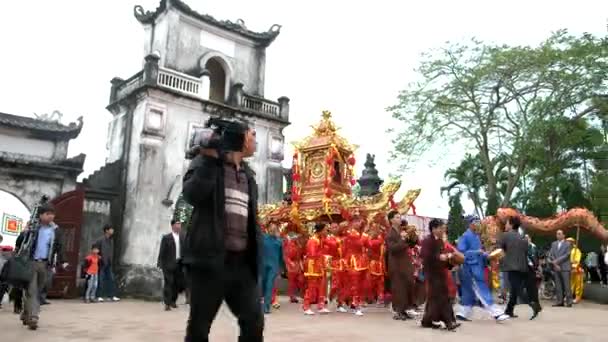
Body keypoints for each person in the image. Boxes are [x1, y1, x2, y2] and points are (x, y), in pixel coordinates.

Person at [181, 120, 264, 342]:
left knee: (254, 320)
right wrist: (209, 159)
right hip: (209, 261)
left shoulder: (249, 175)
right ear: (242, 138)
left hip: (241, 264)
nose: (256, 140)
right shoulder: (206, 163)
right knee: (199, 325)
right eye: (252, 134)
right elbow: (191, 195)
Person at [18, 204, 67, 330]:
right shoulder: (34, 228)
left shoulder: (55, 230)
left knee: (38, 290)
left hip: (45, 264)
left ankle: (26, 312)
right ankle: (34, 317)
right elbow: (19, 243)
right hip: (30, 263)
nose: (50, 216)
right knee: (32, 290)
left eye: (52, 214)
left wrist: (63, 261)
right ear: (40, 215)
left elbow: (60, 247)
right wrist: (25, 231)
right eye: (47, 214)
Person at [455, 215, 509, 322]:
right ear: (470, 224)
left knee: (468, 293)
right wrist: (477, 253)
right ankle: (497, 313)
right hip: (470, 269)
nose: (479, 224)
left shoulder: (476, 236)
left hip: (476, 267)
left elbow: (479, 253)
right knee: (482, 289)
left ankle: (462, 312)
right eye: (476, 222)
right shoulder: (465, 236)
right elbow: (461, 253)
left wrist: (488, 255)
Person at [498, 216, 541, 320]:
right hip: (523, 267)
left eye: (507, 223)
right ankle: (509, 310)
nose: (505, 225)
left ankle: (533, 304)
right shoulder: (522, 238)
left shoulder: (505, 236)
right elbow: (526, 251)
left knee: (517, 289)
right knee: (514, 289)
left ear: (512, 225)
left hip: (512, 267)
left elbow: (500, 249)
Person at [421, 219, 460, 331]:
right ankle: (449, 322)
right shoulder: (427, 241)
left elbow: (442, 255)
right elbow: (424, 255)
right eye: (441, 228)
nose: (443, 230)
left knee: (435, 298)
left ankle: (427, 321)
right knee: (443, 297)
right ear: (433, 229)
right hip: (432, 273)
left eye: (443, 228)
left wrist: (449, 260)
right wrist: (438, 257)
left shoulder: (440, 241)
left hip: (440, 272)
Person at [386, 211, 416, 320]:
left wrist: (412, 236)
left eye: (400, 217)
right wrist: (402, 239)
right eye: (397, 217)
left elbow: (411, 245)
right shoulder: (390, 233)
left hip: (404, 263)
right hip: (396, 264)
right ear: (391, 220)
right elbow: (392, 249)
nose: (399, 219)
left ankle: (404, 309)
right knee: (398, 287)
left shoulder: (401, 231)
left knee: (407, 285)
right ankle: (398, 311)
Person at [157, 219, 185, 311]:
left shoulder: (182, 237)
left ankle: (173, 301)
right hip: (168, 264)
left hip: (179, 264)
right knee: (169, 283)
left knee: (177, 284)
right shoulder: (166, 237)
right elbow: (162, 251)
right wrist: (160, 263)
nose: (179, 226)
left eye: (180, 224)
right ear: (172, 226)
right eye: (177, 224)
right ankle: (167, 303)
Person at [302, 223, 329, 315]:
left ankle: (320, 305)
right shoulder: (313, 241)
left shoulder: (320, 239)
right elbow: (312, 254)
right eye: (325, 230)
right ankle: (306, 306)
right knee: (311, 286)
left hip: (319, 265)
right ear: (321, 230)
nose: (326, 231)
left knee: (321, 286)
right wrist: (323, 256)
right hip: (312, 265)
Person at [261, 222, 284, 314]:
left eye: (274, 229)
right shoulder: (262, 238)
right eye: (271, 228)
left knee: (269, 286)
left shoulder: (279, 242)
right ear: (268, 229)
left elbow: (281, 257)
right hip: (262, 265)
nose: (273, 230)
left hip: (273, 267)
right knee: (262, 286)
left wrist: (281, 269)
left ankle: (266, 307)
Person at [95, 224, 120, 302]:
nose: (112, 231)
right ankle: (99, 295)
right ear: (106, 230)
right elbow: (95, 250)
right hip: (102, 262)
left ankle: (111, 295)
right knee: (100, 279)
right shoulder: (100, 240)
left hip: (109, 262)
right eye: (111, 229)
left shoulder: (111, 241)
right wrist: (99, 257)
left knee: (111, 279)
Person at [548, 229, 573, 307]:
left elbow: (567, 255)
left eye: (559, 234)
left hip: (565, 267)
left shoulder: (568, 244)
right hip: (556, 267)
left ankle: (569, 302)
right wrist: (554, 264)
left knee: (567, 285)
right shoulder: (554, 244)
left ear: (563, 235)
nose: (557, 235)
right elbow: (551, 254)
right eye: (557, 234)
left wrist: (556, 262)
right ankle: (559, 301)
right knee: (558, 285)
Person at [283, 232, 303, 303]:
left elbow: (300, 256)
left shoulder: (297, 245)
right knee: (292, 282)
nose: (297, 238)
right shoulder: (290, 245)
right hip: (292, 265)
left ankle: (301, 294)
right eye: (296, 237)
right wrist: (290, 263)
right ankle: (292, 296)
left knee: (300, 280)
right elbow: (286, 256)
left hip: (297, 264)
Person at [567, 237, 584, 304]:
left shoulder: (576, 250)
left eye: (569, 242)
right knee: (571, 284)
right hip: (570, 269)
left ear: (572, 243)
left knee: (578, 284)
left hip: (577, 270)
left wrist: (573, 266)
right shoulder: (568, 250)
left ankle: (577, 297)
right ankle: (569, 296)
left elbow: (577, 261)